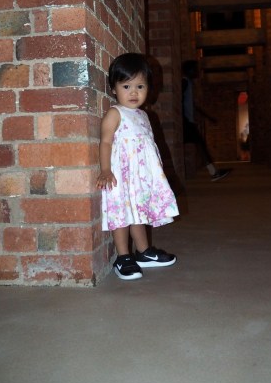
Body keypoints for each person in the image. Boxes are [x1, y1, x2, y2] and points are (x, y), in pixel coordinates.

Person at [96, 53, 179, 281]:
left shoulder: (143, 115)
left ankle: (143, 252)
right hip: (121, 177)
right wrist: (105, 169)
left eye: (140, 86)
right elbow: (105, 141)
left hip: (139, 178)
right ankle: (123, 257)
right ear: (114, 88)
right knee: (122, 215)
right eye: (126, 86)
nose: (134, 92)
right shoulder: (115, 114)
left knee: (138, 214)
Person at [182, 60, 230, 181]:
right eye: (195, 69)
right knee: (201, 146)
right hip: (186, 122)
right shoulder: (185, 82)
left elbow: (193, 104)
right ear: (189, 70)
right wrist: (183, 118)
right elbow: (179, 100)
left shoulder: (189, 83)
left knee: (200, 146)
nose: (197, 71)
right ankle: (214, 173)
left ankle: (213, 172)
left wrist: (208, 117)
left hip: (187, 121)